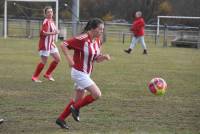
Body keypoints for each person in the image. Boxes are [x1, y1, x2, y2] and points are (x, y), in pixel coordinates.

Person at [56, 18, 111, 129]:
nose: (101, 31)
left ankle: (61, 119)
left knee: (78, 100)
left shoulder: (98, 41)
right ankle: (75, 108)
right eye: (100, 29)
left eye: (103, 29)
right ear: (93, 28)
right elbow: (63, 44)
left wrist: (103, 57)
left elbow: (95, 59)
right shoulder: (82, 39)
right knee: (97, 94)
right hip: (79, 73)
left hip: (86, 73)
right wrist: (69, 58)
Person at [31, 6, 61, 82]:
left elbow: (54, 30)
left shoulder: (51, 20)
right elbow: (44, 33)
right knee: (43, 61)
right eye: (48, 12)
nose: (50, 13)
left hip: (51, 43)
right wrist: (54, 32)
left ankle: (47, 74)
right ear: (45, 14)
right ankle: (35, 77)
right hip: (45, 44)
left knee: (57, 59)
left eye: (51, 11)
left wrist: (56, 30)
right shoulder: (46, 21)